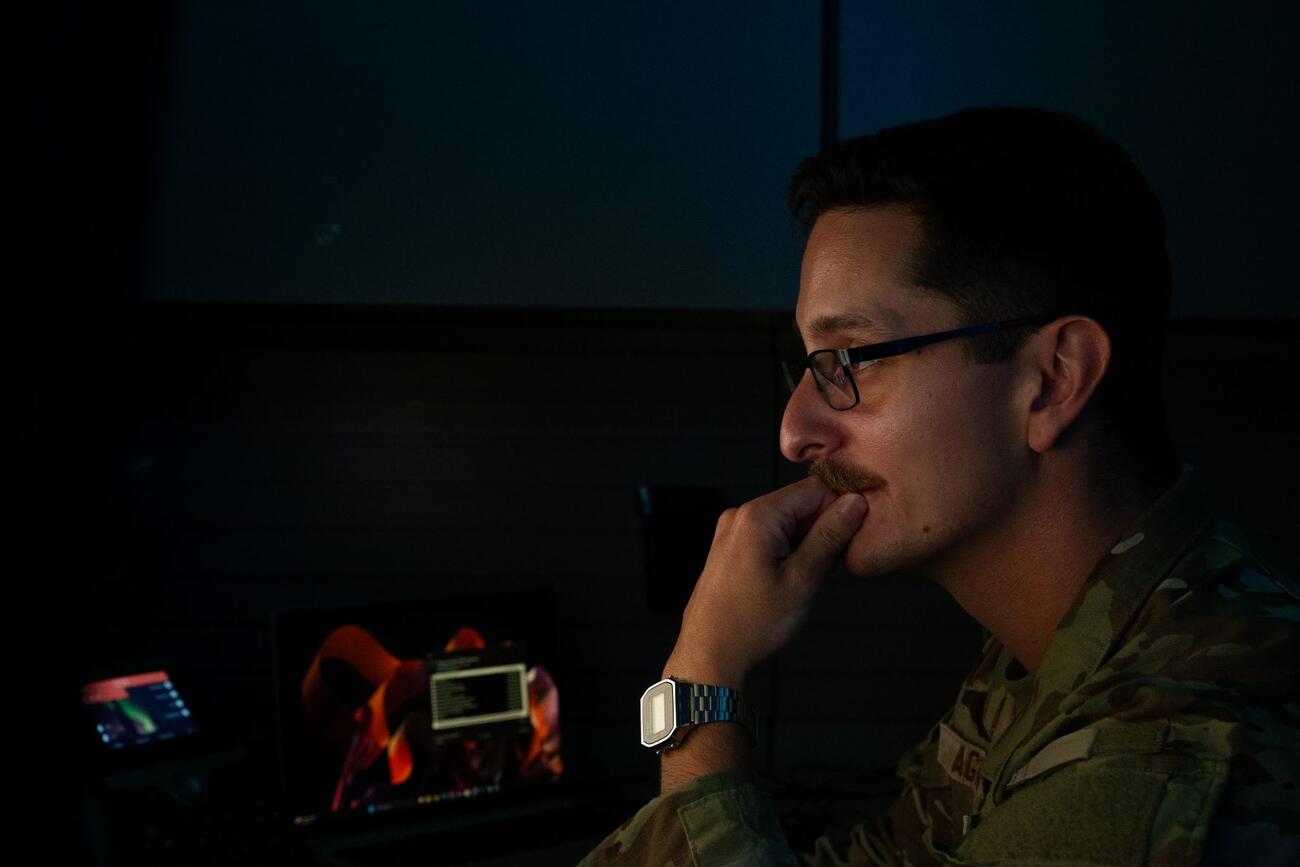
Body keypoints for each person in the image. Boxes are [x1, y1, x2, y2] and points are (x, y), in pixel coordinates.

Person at [577, 106, 1300, 866]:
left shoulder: (1158, 755)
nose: (794, 432)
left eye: (852, 359)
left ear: (1053, 379)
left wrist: (703, 683)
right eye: (812, 365)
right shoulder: (1050, 656)